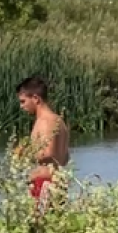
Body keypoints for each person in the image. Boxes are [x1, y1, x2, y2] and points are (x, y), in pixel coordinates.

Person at [17, 75, 69, 206]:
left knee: (41, 224)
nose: (21, 106)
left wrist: (24, 153)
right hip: (57, 181)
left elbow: (48, 153)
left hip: (46, 183)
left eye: (23, 101)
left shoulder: (45, 121)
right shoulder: (59, 120)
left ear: (35, 98)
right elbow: (65, 156)